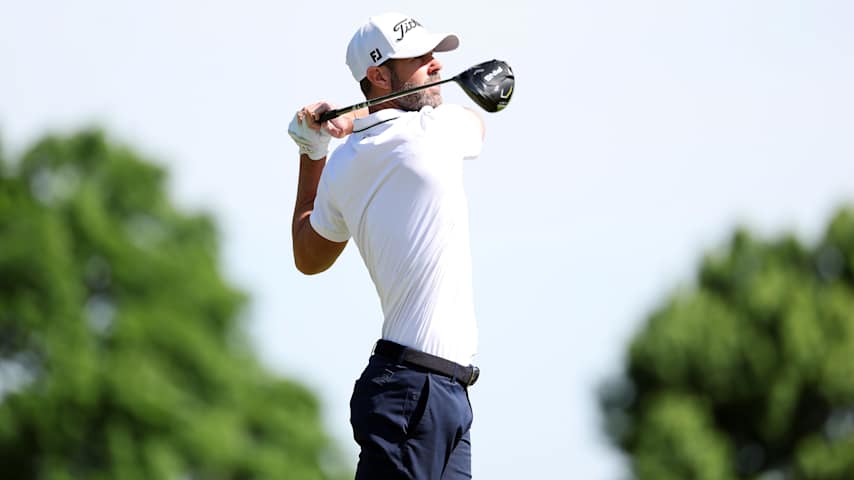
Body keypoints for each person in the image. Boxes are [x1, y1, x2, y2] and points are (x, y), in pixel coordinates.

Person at [287, 12, 485, 480]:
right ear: (378, 75)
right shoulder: (431, 133)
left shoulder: (344, 164)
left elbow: (307, 256)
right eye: (420, 58)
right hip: (416, 394)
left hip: (434, 393)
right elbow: (477, 122)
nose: (436, 65)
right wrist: (359, 120)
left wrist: (312, 154)